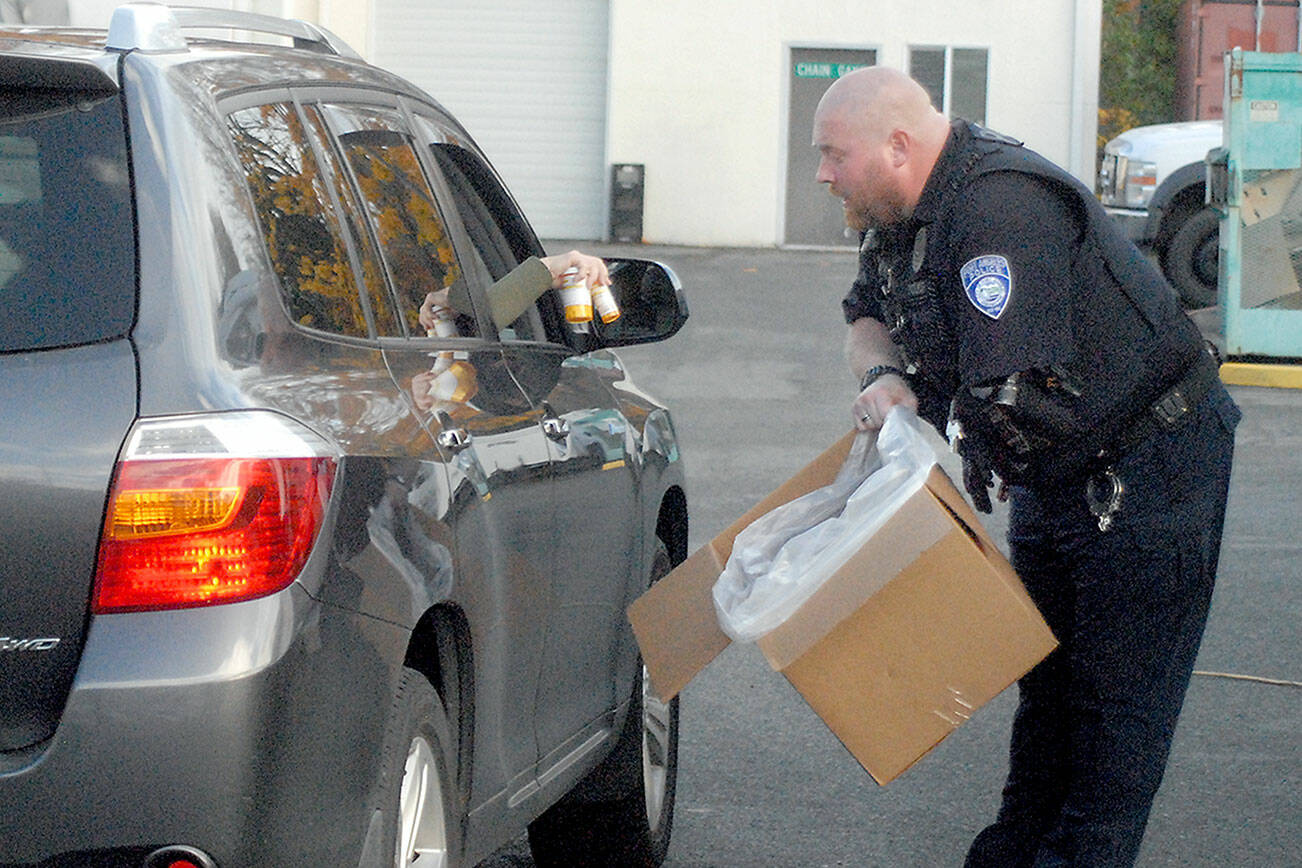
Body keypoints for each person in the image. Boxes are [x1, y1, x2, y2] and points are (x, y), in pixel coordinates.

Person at [812, 67, 1239, 866]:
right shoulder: (906, 216)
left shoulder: (999, 212)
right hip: (1056, 475)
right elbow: (866, 313)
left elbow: (1012, 390)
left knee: (1111, 723)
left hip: (1149, 468)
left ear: (897, 146)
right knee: (1047, 703)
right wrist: (884, 375)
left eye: (833, 154)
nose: (822, 174)